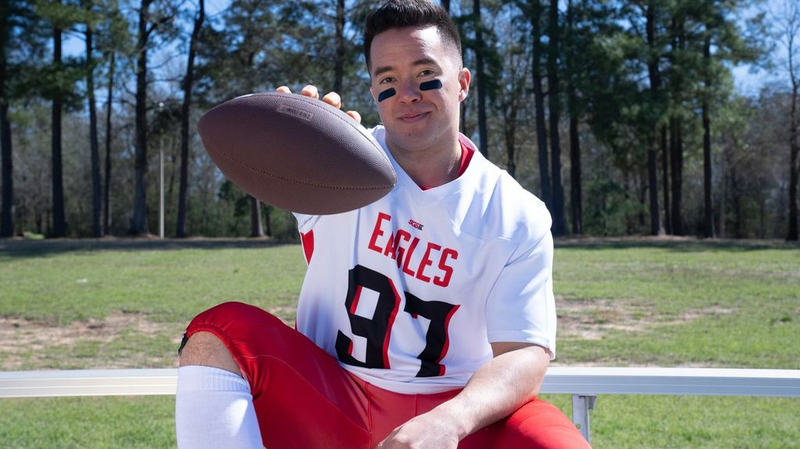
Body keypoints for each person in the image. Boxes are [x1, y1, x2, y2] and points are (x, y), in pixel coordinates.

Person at [175, 1, 590, 448]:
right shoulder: (334, 167)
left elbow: (525, 351)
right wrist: (290, 129)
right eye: (388, 80)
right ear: (373, 93)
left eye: (425, 73)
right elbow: (255, 154)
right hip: (334, 399)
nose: (407, 93)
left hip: (456, 408)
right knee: (216, 332)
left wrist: (449, 421)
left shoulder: (514, 211)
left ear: (463, 83)